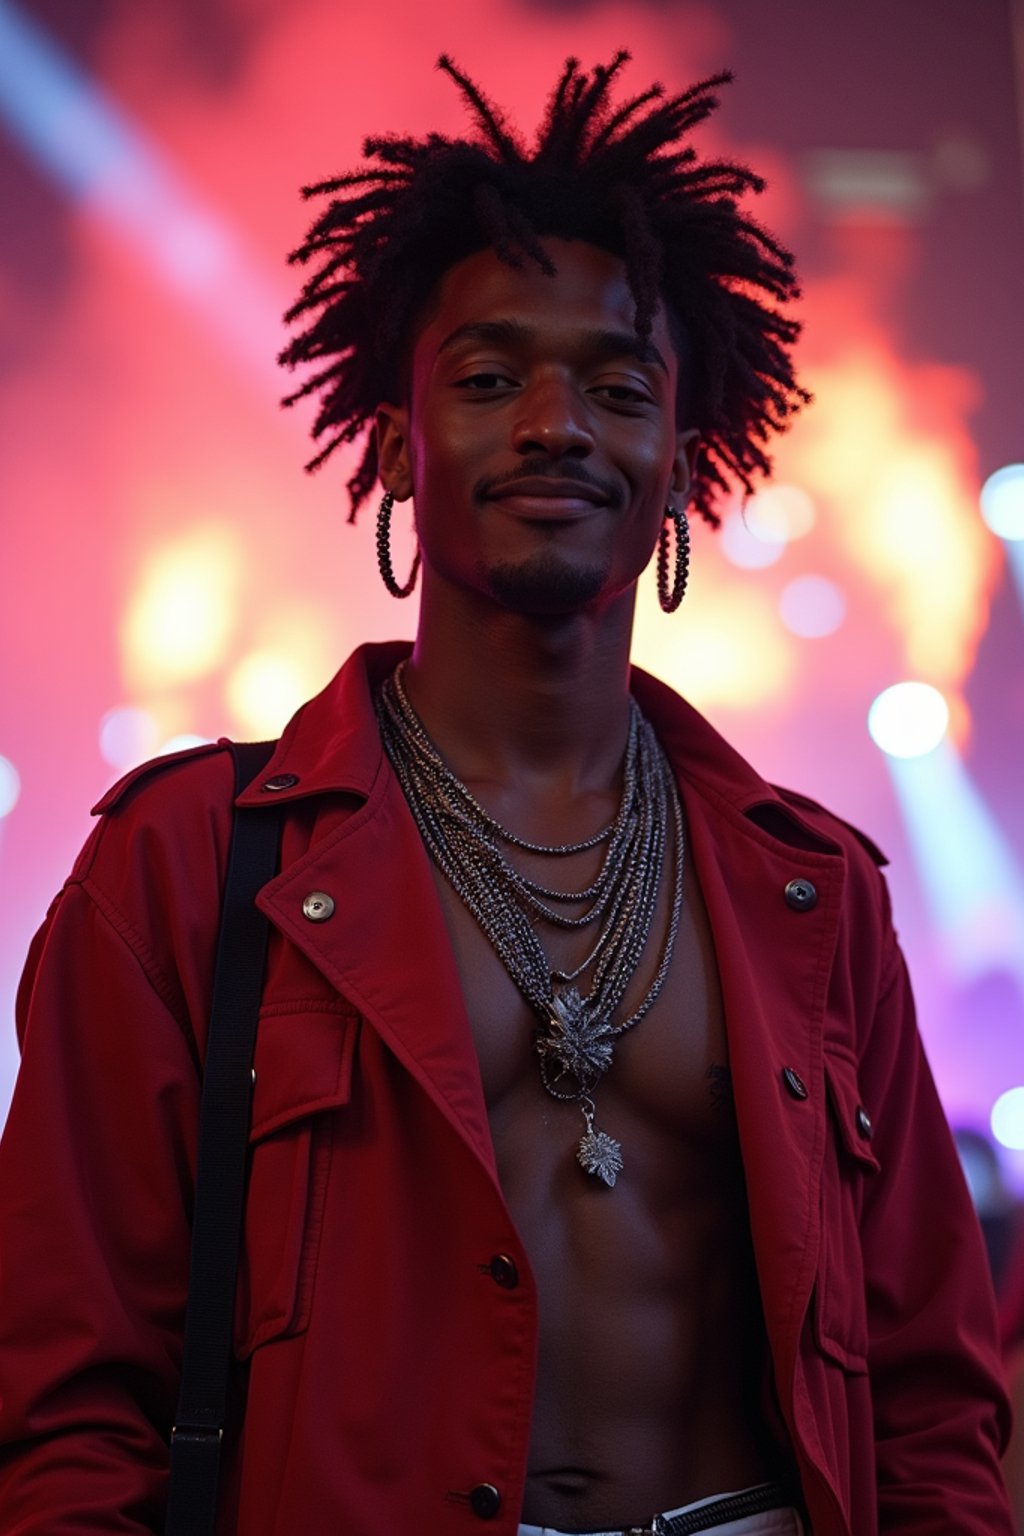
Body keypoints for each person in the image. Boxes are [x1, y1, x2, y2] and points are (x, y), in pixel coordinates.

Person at [0, 53, 1012, 1536]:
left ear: (680, 463)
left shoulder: (815, 896)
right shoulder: (185, 868)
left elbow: (931, 1397)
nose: (556, 422)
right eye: (488, 378)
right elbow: (66, 1403)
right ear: (399, 447)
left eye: (618, 385)